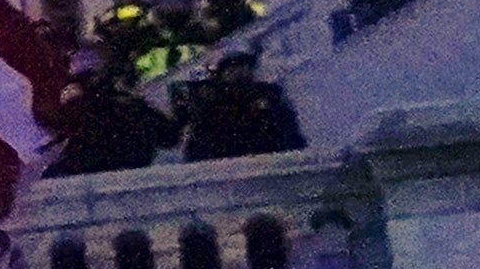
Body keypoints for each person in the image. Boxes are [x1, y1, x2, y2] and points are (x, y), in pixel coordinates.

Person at [43, 64, 173, 177]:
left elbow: (168, 137)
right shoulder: (132, 106)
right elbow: (168, 137)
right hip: (125, 173)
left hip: (117, 172)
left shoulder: (121, 110)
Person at [181, 51, 307, 163]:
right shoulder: (212, 106)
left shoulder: (269, 95)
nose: (239, 71)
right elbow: (197, 152)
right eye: (231, 66)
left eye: (244, 65)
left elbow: (291, 140)